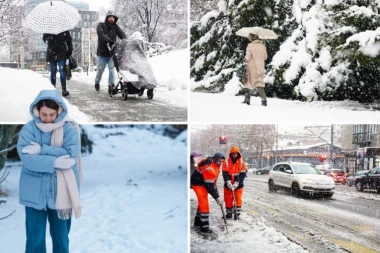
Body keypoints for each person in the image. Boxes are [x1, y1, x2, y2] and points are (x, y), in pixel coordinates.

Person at [17, 89, 82, 253]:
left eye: (52, 115)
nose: (47, 119)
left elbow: (70, 155)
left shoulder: (69, 129)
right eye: (44, 114)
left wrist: (41, 151)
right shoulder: (29, 129)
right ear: (37, 110)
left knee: (61, 239)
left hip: (62, 194)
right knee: (34, 240)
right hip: (34, 194)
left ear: (59, 111)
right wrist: (54, 161)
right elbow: (27, 159)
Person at [191, 152, 225, 233]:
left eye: (222, 161)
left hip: (202, 182)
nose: (221, 163)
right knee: (204, 204)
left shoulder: (213, 163)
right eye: (220, 161)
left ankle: (197, 221)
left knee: (203, 202)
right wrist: (217, 198)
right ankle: (204, 226)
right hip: (198, 183)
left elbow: (210, 182)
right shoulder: (210, 167)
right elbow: (209, 186)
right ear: (215, 159)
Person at [95, 11, 127, 92]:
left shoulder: (115, 27)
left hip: (111, 53)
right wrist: (109, 40)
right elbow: (101, 35)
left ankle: (111, 85)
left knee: (112, 69)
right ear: (107, 18)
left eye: (113, 17)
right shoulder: (101, 25)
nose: (111, 19)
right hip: (102, 53)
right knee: (100, 70)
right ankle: (97, 82)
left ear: (114, 19)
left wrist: (126, 41)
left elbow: (122, 35)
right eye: (109, 17)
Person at [43, 31, 73, 97]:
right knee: (53, 72)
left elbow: (69, 40)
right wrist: (51, 37)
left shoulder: (63, 29)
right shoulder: (49, 29)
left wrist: (70, 50)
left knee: (62, 71)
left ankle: (63, 90)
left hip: (61, 53)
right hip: (52, 53)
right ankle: (53, 89)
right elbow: (45, 40)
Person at [242, 33, 268, 106]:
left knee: (248, 83)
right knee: (260, 84)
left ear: (252, 38)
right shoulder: (263, 46)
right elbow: (265, 57)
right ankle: (264, 100)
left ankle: (247, 100)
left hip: (252, 68)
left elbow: (247, 58)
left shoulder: (250, 46)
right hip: (260, 68)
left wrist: (245, 59)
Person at [222, 146, 247, 219]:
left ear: (238, 154)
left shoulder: (242, 163)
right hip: (228, 185)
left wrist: (237, 182)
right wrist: (228, 181)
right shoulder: (226, 162)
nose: (234, 155)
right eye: (233, 154)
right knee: (228, 199)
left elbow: (243, 174)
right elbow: (224, 173)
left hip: (238, 185)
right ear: (231, 154)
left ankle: (237, 214)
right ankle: (229, 214)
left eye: (236, 154)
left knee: (238, 199)